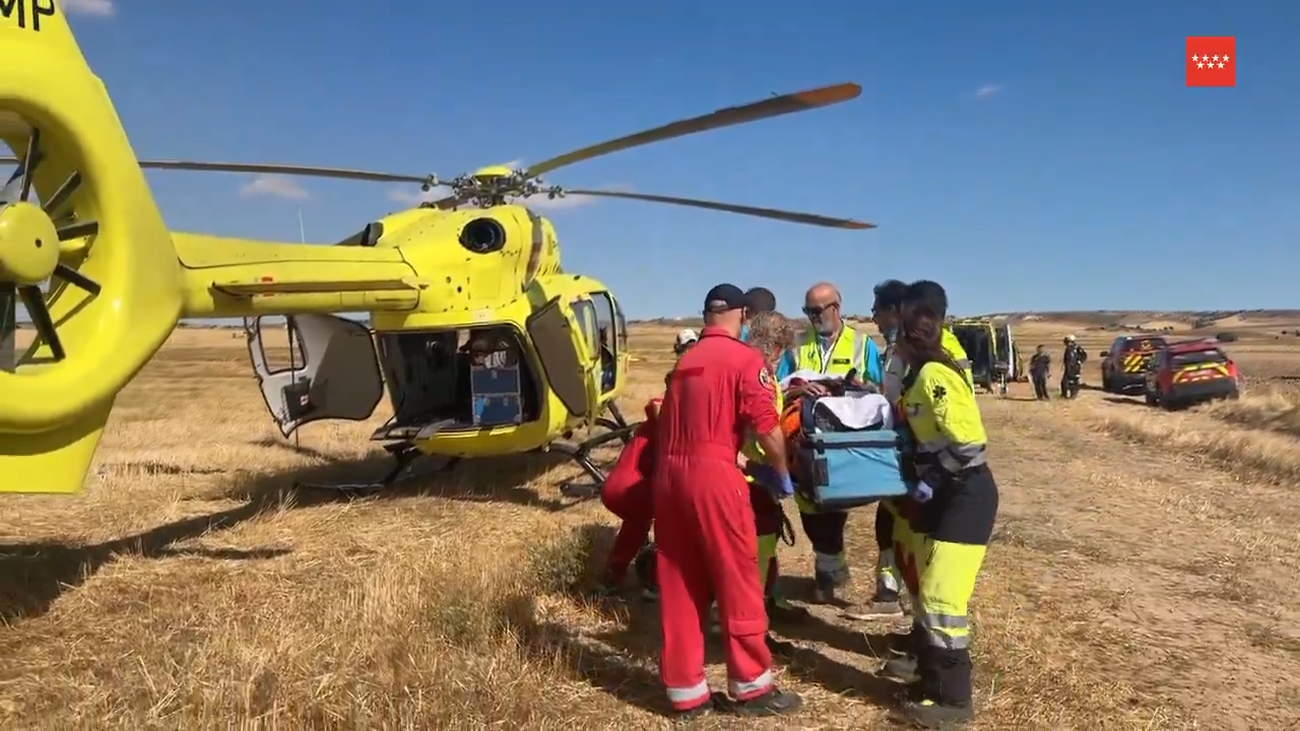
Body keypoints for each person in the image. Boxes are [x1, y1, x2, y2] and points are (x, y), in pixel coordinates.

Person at [653, 283, 802, 718]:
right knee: (738, 579)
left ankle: (686, 694)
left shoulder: (686, 362)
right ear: (741, 314)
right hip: (715, 476)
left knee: (680, 583)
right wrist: (781, 472)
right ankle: (752, 687)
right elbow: (766, 426)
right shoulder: (744, 359)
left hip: (669, 478)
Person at [887, 296, 999, 728]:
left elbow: (970, 443)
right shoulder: (920, 375)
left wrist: (933, 477)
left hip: (965, 492)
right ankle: (931, 684)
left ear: (906, 338)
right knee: (924, 591)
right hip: (945, 492)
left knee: (941, 598)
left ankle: (955, 701)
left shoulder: (935, 375)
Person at [775, 282, 883, 608]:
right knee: (810, 508)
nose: (812, 317)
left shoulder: (863, 345)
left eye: (818, 311)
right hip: (804, 440)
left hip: (843, 442)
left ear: (836, 307)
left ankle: (829, 575)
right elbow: (778, 389)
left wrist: (858, 387)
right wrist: (798, 390)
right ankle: (831, 570)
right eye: (807, 311)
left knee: (834, 508)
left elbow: (881, 393)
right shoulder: (796, 346)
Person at [737, 311, 806, 624]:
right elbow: (763, 430)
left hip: (751, 478)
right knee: (758, 549)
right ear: (774, 348)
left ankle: (765, 604)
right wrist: (773, 471)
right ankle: (753, 622)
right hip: (749, 480)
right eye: (782, 352)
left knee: (763, 546)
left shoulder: (739, 367)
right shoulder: (757, 376)